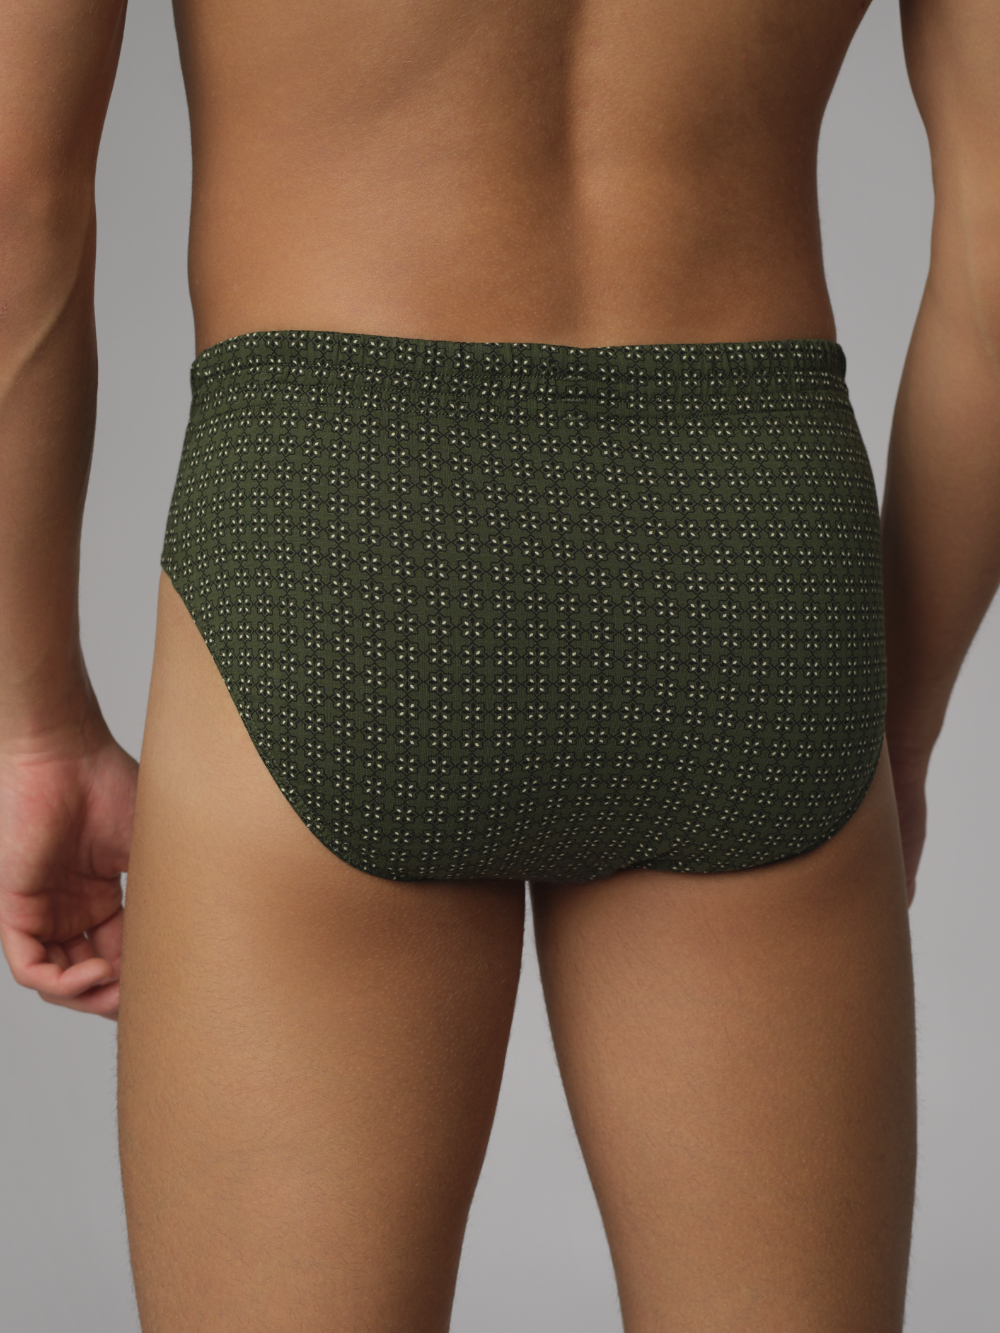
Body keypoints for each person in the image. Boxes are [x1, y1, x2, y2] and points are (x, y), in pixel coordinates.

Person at [1, 0, 997, 1327]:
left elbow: (18, 205)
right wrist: (893, 716)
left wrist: (34, 723)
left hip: (342, 537)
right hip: (747, 556)